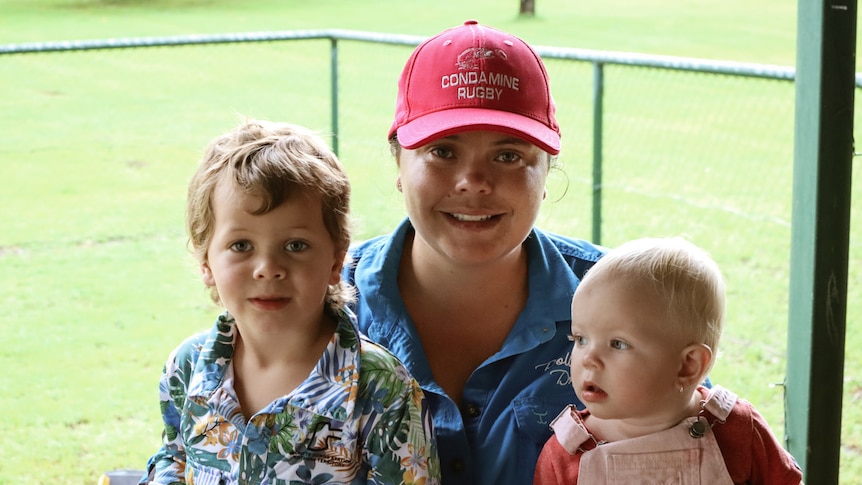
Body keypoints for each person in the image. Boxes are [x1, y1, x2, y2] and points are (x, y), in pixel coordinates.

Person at [342, 20, 606, 485]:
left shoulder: (625, 298)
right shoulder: (322, 301)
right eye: (443, 151)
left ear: (546, 173)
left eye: (508, 155)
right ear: (399, 164)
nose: (474, 182)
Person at [141, 119, 440, 485]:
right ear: (206, 263)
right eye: (241, 246)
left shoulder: (381, 387)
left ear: (335, 260)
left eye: (295, 246)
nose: (268, 269)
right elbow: (174, 457)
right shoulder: (186, 368)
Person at [533, 237, 804, 484]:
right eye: (580, 339)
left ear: (688, 365)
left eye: (618, 344)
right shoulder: (566, 454)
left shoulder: (736, 429)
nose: (589, 359)